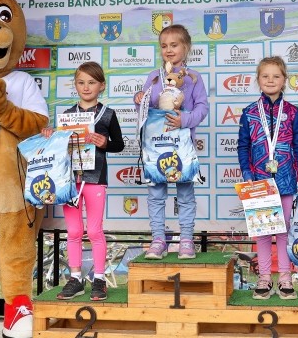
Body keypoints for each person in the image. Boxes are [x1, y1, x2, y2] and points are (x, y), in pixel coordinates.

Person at [237, 56, 298, 300]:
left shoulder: (292, 112)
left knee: (283, 230)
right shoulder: (249, 113)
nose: (270, 80)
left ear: (284, 80)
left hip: (286, 180)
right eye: (265, 76)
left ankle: (285, 277)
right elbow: (243, 147)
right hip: (259, 182)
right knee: (263, 231)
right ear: (258, 80)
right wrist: (247, 173)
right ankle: (265, 277)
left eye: (276, 76)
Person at [49, 62, 124, 302]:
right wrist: (50, 135)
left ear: (102, 86)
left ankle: (99, 278)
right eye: (81, 82)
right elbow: (58, 147)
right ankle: (75, 278)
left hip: (95, 179)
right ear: (75, 85)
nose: (86, 87)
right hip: (70, 180)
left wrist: (104, 143)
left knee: (93, 230)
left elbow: (119, 145)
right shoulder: (68, 115)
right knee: (73, 230)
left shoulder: (108, 114)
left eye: (92, 82)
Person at [133, 24, 208, 259]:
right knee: (156, 193)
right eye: (164, 46)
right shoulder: (154, 77)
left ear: (186, 47)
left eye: (174, 45)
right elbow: (144, 108)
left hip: (182, 146)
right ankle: (158, 239)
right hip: (156, 145)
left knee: (185, 193)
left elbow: (202, 108)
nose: (169, 50)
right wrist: (139, 99)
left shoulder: (194, 78)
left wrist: (185, 120)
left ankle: (186, 239)